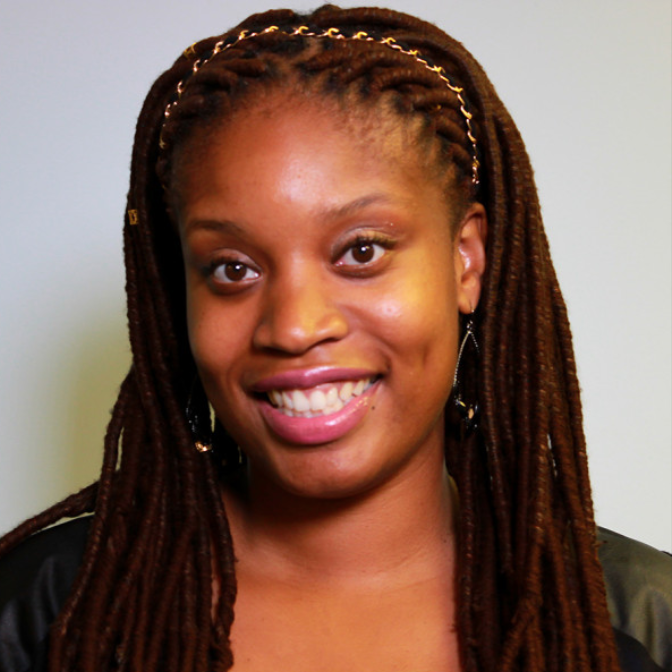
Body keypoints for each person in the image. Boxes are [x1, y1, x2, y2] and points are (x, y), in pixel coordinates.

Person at [0, 5, 669, 672]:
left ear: (466, 261)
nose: (294, 328)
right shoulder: (48, 609)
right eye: (232, 268)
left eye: (361, 251)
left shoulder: (633, 621)